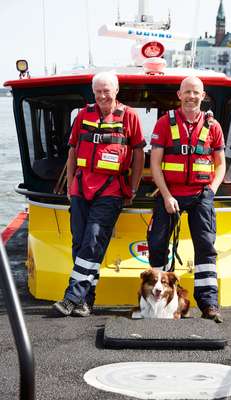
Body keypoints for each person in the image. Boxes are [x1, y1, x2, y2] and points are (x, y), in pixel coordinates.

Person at [53, 71, 146, 317]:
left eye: (107, 91)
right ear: (93, 93)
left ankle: (72, 297)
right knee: (80, 244)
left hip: (112, 190)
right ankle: (86, 301)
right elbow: (72, 152)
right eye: (98, 92)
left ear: (116, 91)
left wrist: (134, 187)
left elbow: (139, 154)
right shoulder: (83, 115)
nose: (103, 96)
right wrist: (72, 184)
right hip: (82, 188)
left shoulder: (130, 117)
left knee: (93, 239)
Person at [147, 76, 226, 323]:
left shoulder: (213, 126)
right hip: (170, 193)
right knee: (158, 242)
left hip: (201, 194)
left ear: (203, 96)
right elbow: (155, 164)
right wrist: (167, 196)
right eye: (187, 92)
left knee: (205, 247)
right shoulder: (164, 124)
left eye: (196, 93)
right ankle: (155, 301)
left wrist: (211, 190)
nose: (191, 97)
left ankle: (209, 303)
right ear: (179, 95)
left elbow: (220, 164)